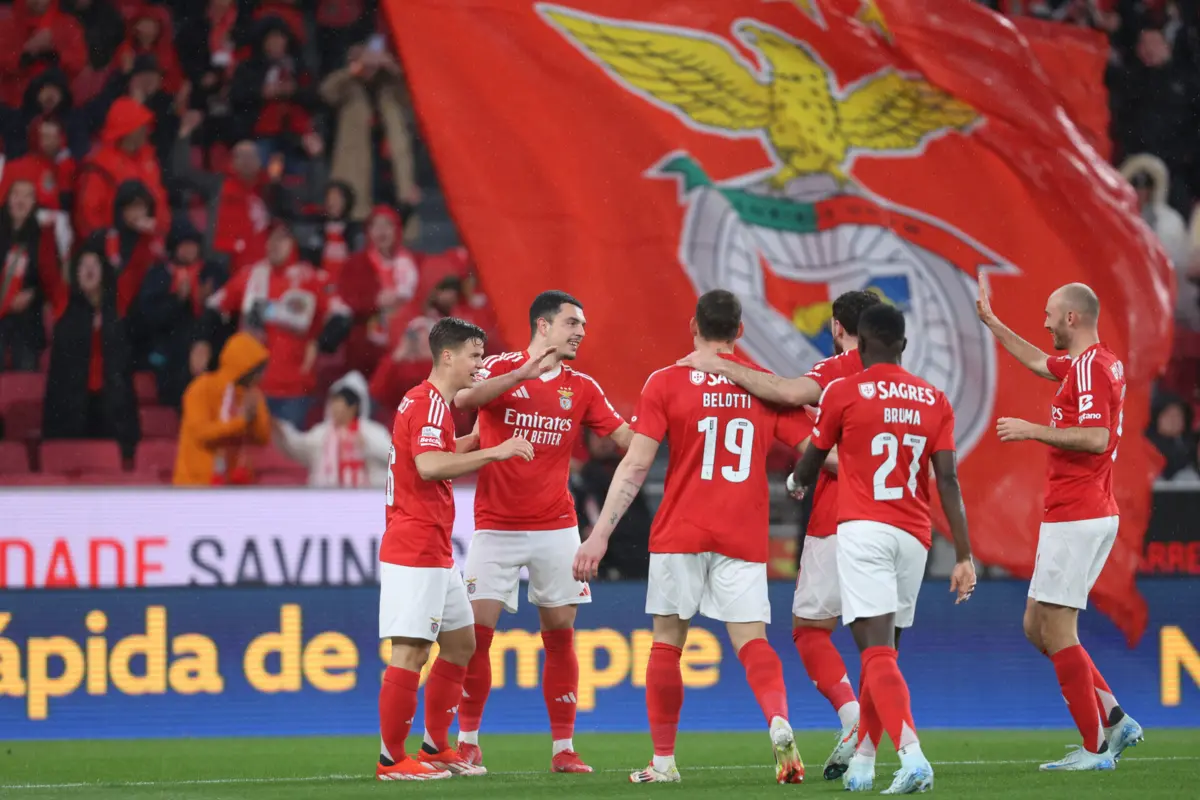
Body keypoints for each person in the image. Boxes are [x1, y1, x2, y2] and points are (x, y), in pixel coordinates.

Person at [573, 290, 809, 785]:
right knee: (752, 643)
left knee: (666, 644)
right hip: (743, 531)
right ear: (740, 331)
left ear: (692, 326)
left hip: (682, 528)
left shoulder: (666, 382)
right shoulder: (765, 385)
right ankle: (777, 719)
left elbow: (636, 463)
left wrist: (598, 536)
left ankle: (663, 763)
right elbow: (817, 451)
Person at [789, 302, 975, 793]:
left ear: (861, 345)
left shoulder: (844, 390)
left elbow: (811, 460)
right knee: (885, 653)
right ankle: (866, 762)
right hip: (915, 537)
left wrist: (795, 483)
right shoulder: (934, 398)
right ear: (904, 345)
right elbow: (949, 480)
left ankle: (913, 755)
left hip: (863, 531)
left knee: (874, 653)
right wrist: (964, 554)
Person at [452, 290, 633, 773]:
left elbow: (625, 440)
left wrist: (671, 431)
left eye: (583, 326)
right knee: (475, 636)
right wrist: (521, 375)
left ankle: (563, 749)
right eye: (572, 322)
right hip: (495, 526)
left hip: (556, 527)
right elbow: (462, 399)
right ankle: (467, 741)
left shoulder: (584, 387)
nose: (580, 332)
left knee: (560, 635)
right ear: (542, 327)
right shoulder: (497, 367)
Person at [976, 278, 1145, 770]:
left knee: (1058, 628)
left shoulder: (1092, 368)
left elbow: (1094, 437)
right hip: (1081, 512)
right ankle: (1114, 717)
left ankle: (1095, 749)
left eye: (1050, 314)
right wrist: (992, 323)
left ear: (1072, 318)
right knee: (1037, 626)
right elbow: (1034, 360)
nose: (1045, 322)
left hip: (1079, 511)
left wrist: (1032, 430)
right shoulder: (1087, 364)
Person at [376, 317, 536, 781]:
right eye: (474, 356)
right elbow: (429, 466)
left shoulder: (431, 405)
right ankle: (391, 760)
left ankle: (434, 745)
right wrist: (494, 453)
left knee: (461, 644)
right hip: (414, 546)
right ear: (447, 355)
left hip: (435, 548)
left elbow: (440, 454)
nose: (480, 365)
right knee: (410, 652)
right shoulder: (427, 403)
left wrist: (482, 439)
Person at [173, 331, 271, 486]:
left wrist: (253, 419)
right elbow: (202, 433)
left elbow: (263, 438)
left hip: (234, 486)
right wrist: (241, 422)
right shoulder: (201, 388)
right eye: (257, 371)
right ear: (244, 368)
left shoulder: (253, 394)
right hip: (195, 485)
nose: (261, 376)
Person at [272, 371, 392, 487]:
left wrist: (367, 446)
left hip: (365, 498)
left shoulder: (370, 431)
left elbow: (392, 455)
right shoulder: (323, 431)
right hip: (327, 500)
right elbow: (300, 446)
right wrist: (282, 430)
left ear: (353, 407)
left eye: (339, 403)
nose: (334, 408)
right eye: (333, 403)